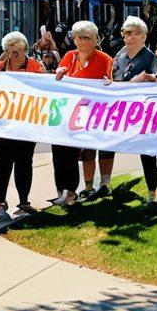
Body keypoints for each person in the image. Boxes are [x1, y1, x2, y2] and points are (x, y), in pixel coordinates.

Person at [108, 17, 157, 208]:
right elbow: (115, 81)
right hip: (133, 116)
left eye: (136, 33)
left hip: (155, 115)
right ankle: (152, 192)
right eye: (127, 33)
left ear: (144, 36)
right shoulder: (119, 56)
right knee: (146, 155)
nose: (131, 37)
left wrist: (147, 79)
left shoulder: (151, 58)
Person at [55, 20, 114, 201]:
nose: (81, 41)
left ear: (95, 40)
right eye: (78, 38)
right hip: (73, 114)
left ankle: (104, 184)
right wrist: (59, 73)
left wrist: (107, 84)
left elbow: (111, 84)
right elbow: (58, 76)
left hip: (98, 113)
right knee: (78, 152)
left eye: (86, 38)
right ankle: (83, 187)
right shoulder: (69, 57)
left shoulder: (105, 59)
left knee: (101, 147)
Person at [0, 31, 45, 219]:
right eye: (10, 50)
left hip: (27, 124)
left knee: (24, 161)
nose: (15, 55)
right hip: (4, 124)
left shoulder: (36, 67)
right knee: (3, 161)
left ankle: (24, 202)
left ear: (25, 50)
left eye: (18, 51)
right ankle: (0, 201)